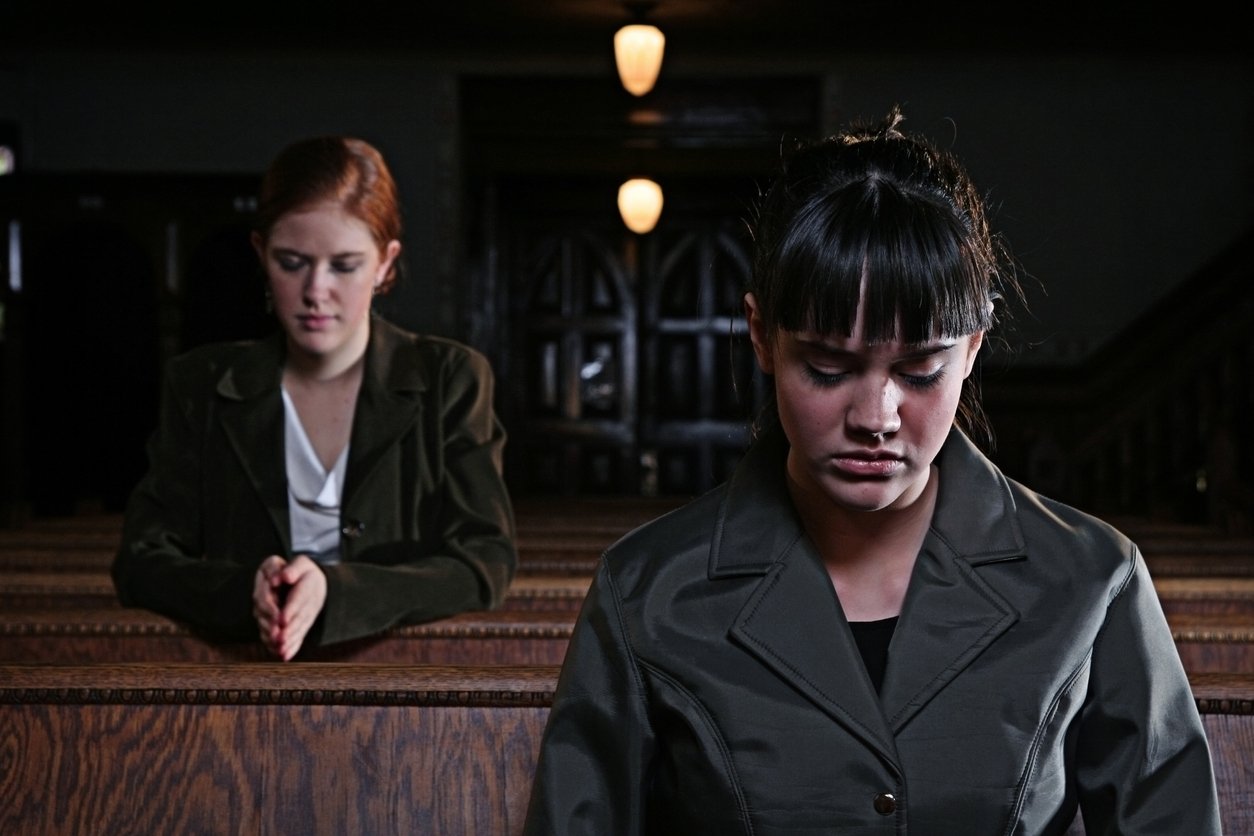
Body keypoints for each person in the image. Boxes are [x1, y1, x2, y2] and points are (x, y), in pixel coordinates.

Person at [524, 111, 1220, 834]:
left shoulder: (1092, 580)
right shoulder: (646, 592)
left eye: (920, 370)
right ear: (761, 336)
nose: (876, 417)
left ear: (972, 348)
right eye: (828, 368)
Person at [112, 137, 516, 660]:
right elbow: (141, 562)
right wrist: (243, 591)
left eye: (344, 266)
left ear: (385, 263)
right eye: (291, 262)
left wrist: (337, 591)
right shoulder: (200, 384)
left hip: (400, 682)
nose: (315, 291)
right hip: (240, 682)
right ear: (261, 254)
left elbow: (485, 563)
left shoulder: (451, 379)